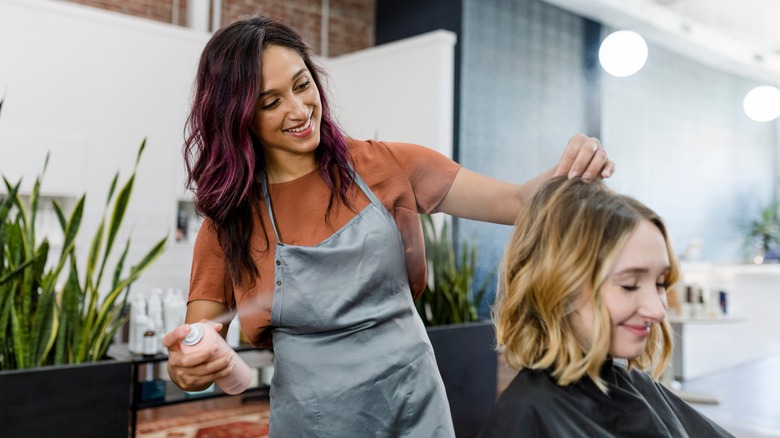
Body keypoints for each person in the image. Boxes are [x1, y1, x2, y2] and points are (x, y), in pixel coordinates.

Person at [162, 15, 613, 437]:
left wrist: (573, 170)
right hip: (315, 424)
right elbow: (198, 350)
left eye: (303, 85)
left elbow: (517, 202)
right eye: (271, 102)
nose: (300, 110)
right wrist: (190, 365)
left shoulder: (390, 165)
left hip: (416, 410)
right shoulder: (230, 224)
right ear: (239, 117)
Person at [478, 177, 734, 437]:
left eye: (660, 283)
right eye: (630, 284)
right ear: (560, 286)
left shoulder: (636, 387)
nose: (658, 311)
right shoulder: (526, 416)